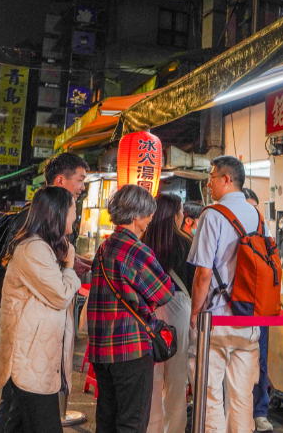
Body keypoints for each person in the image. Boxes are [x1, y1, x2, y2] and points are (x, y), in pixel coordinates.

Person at [0, 153, 90, 433]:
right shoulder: (34, 247)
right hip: (29, 361)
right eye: (73, 208)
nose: (76, 213)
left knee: (15, 422)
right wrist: (69, 265)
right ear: (58, 212)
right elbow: (59, 294)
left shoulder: (44, 245)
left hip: (36, 359)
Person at [188, 156, 269, 433]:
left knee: (211, 397)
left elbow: (203, 274)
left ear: (226, 179)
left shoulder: (211, 215)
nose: (208, 183)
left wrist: (194, 313)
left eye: (212, 177)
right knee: (242, 399)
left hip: (216, 321)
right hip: (249, 323)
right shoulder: (258, 217)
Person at [88, 185, 174, 433]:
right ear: (136, 215)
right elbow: (164, 291)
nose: (149, 221)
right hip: (130, 348)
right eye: (148, 215)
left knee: (106, 420)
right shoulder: (136, 250)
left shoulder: (104, 247)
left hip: (102, 349)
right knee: (132, 422)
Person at [142, 194, 194, 433]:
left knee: (151, 377)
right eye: (181, 210)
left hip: (149, 310)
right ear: (175, 214)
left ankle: (151, 428)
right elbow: (196, 281)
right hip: (180, 310)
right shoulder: (186, 243)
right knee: (176, 378)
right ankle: (173, 429)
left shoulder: (144, 242)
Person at [241, 187, 274, 432]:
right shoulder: (229, 227)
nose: (250, 212)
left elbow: (273, 264)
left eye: (254, 207)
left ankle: (260, 411)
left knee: (260, 360)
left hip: (261, 305)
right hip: (236, 306)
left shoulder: (264, 228)